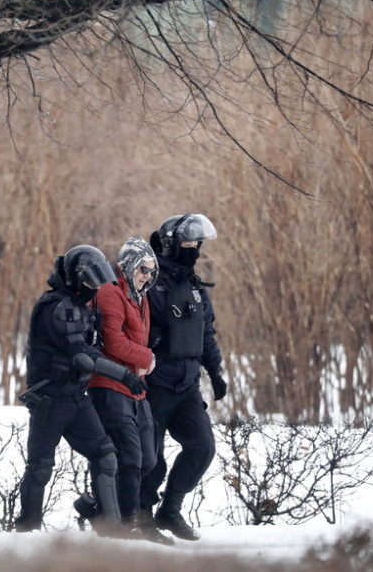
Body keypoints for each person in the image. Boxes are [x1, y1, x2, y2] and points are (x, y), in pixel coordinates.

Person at [15, 245, 147, 536]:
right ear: (75, 279)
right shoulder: (57, 306)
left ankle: (113, 531)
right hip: (50, 400)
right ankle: (27, 534)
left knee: (106, 455)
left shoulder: (79, 304)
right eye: (89, 282)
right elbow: (83, 357)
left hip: (76, 396)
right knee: (40, 467)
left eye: (97, 282)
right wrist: (124, 375)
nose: (93, 289)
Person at [79, 236, 173, 544]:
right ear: (130, 263)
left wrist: (145, 357)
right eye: (144, 269)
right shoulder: (110, 292)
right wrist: (148, 357)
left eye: (151, 271)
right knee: (129, 457)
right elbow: (113, 342)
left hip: (135, 386)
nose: (148, 276)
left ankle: (96, 507)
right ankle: (123, 523)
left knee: (147, 458)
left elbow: (138, 338)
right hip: (109, 384)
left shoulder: (139, 294)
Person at [138, 213, 226, 541]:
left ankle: (170, 508)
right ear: (171, 244)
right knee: (151, 457)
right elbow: (130, 325)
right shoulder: (149, 282)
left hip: (188, 384)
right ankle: (141, 514)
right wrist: (151, 339)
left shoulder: (194, 285)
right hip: (155, 383)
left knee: (202, 448)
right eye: (188, 243)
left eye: (197, 244)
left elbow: (206, 334)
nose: (194, 249)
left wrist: (215, 372)